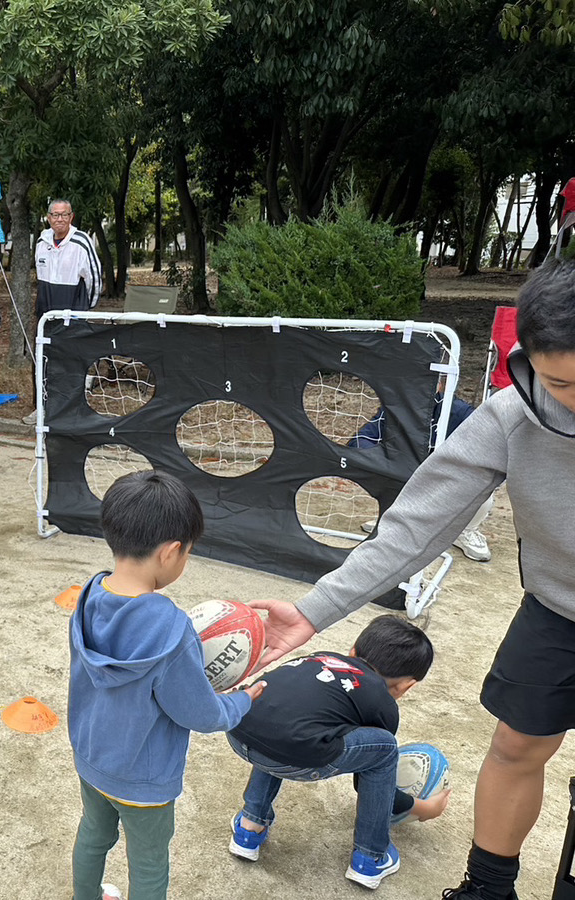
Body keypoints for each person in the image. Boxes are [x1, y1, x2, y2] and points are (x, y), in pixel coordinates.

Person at [252, 259, 575, 900]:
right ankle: (487, 888)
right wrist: (315, 610)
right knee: (515, 747)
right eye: (562, 382)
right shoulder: (514, 416)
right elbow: (413, 529)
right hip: (558, 611)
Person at [67, 469, 265, 900]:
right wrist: (241, 701)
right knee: (149, 862)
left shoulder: (87, 599)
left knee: (92, 835)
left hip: (91, 757)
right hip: (143, 778)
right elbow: (200, 714)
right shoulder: (173, 630)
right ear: (172, 552)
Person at [228, 615, 449, 889]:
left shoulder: (320, 657)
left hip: (238, 728)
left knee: (285, 720)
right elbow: (366, 778)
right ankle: (371, 857)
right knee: (383, 749)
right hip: (293, 756)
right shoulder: (383, 703)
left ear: (353, 651)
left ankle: (250, 825)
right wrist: (422, 807)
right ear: (406, 686)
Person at [353, 394, 493, 562]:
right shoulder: (396, 407)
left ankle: (465, 530)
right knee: (388, 472)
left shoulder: (462, 412)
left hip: (450, 481)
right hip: (406, 477)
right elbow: (360, 441)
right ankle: (396, 522)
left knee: (484, 484)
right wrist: (386, 461)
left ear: (441, 382)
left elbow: (488, 453)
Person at [25, 199, 103, 425]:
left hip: (73, 310)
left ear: (71, 217)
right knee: (43, 360)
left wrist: (84, 309)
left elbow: (94, 280)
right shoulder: (42, 240)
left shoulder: (81, 242)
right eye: (55, 215)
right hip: (45, 313)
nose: (59, 219)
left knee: (71, 361)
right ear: (48, 218)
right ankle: (40, 408)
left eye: (64, 215)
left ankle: (70, 411)